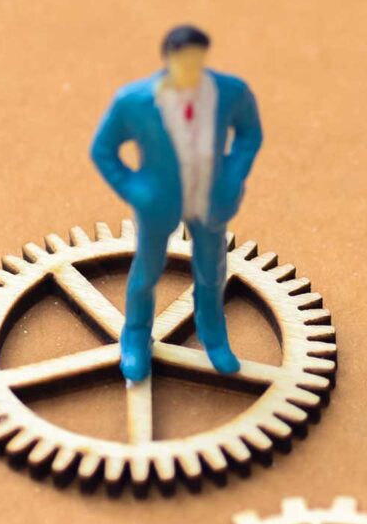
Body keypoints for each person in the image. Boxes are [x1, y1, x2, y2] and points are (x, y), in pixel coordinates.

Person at [90, 24, 263, 381]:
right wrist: (134, 189)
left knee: (212, 271)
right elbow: (103, 150)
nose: (190, 68)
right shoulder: (133, 102)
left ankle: (213, 337)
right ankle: (136, 337)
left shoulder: (229, 92)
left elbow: (249, 134)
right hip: (159, 203)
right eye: (182, 60)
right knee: (147, 272)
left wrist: (233, 176)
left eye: (196, 60)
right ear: (167, 59)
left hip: (210, 199)